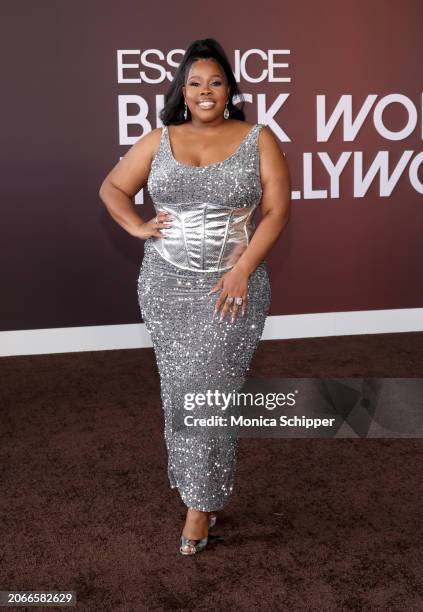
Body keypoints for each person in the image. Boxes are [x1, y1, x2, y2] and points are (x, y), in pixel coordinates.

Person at [99, 37, 291, 556]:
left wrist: (243, 270)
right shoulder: (159, 139)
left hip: (232, 288)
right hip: (164, 285)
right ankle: (199, 492)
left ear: (229, 89)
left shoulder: (258, 137)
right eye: (195, 82)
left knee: (210, 392)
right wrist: (139, 227)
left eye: (215, 82)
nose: (205, 91)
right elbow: (112, 189)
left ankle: (198, 509)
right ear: (182, 90)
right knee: (182, 393)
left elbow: (276, 213)